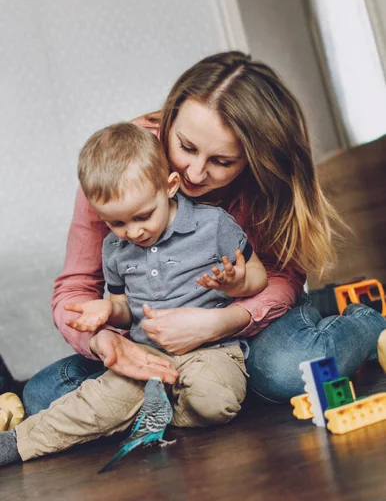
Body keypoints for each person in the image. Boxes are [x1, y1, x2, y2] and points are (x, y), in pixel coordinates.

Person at [22, 50, 386, 415]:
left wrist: (218, 323)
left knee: (282, 372)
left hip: (245, 321)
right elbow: (75, 287)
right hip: (159, 342)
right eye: (186, 147)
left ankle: (366, 325)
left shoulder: (265, 180)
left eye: (222, 161)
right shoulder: (120, 169)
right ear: (169, 122)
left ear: (253, 159)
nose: (195, 174)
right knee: (43, 396)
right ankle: (214, 389)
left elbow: (282, 277)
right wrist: (104, 341)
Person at [0, 120, 268, 464]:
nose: (134, 232)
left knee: (215, 401)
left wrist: (238, 284)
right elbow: (125, 308)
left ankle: (154, 415)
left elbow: (260, 277)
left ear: (170, 186)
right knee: (95, 405)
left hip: (211, 349)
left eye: (143, 216)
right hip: (145, 354)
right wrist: (108, 312)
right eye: (117, 223)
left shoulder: (214, 225)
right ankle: (18, 443)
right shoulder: (115, 249)